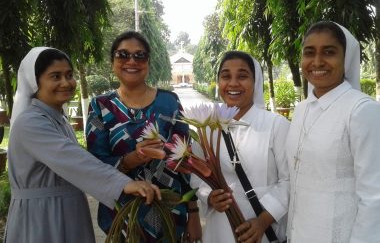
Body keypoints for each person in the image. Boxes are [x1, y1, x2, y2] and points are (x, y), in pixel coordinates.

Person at [4, 47, 161, 243]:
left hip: (68, 209)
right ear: (36, 83)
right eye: (55, 76)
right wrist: (124, 183)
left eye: (69, 75)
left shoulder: (58, 119)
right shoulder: (30, 122)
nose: (66, 83)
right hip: (42, 215)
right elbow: (71, 158)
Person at [85, 31, 202, 242]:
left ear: (148, 62)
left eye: (140, 55)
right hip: (121, 214)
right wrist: (132, 159)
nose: (132, 61)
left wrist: (193, 212)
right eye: (123, 55)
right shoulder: (101, 106)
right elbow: (95, 166)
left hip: (169, 211)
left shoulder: (169, 102)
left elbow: (186, 162)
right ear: (113, 61)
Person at [286, 21, 380, 242]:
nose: (317, 61)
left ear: (345, 59)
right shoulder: (301, 110)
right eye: (309, 52)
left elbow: (374, 196)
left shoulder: (361, 110)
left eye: (329, 52)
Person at [191, 51, 290, 243]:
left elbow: (289, 181)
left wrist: (262, 222)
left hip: (263, 227)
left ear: (255, 82)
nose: (233, 83)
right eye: (226, 76)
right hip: (218, 227)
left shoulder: (276, 125)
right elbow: (196, 175)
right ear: (218, 82)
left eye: (243, 76)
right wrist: (209, 196)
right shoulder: (207, 127)